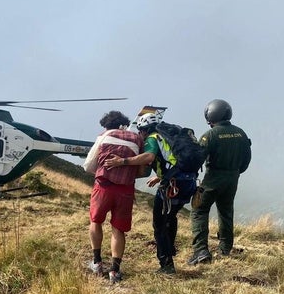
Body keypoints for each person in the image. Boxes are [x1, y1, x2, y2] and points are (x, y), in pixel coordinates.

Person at [104, 112, 197, 274]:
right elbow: (172, 160)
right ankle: (170, 249)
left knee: (159, 224)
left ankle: (166, 264)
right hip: (188, 182)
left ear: (144, 129)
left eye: (140, 131)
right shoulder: (168, 136)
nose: (140, 135)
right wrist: (160, 176)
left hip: (172, 185)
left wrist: (122, 161)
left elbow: (149, 156)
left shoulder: (153, 138)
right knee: (170, 216)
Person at [187, 99, 252, 265]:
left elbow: (197, 159)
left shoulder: (209, 135)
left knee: (198, 209)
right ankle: (225, 248)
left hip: (213, 178)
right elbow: (246, 160)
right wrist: (234, 172)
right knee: (226, 211)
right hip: (232, 178)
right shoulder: (241, 133)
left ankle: (201, 251)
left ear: (210, 115)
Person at [82, 111, 144, 283]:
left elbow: (88, 165)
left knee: (96, 221)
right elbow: (142, 169)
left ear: (108, 125)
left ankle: (97, 262)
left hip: (103, 186)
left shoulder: (105, 135)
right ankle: (115, 271)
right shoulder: (137, 138)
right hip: (125, 189)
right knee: (118, 229)